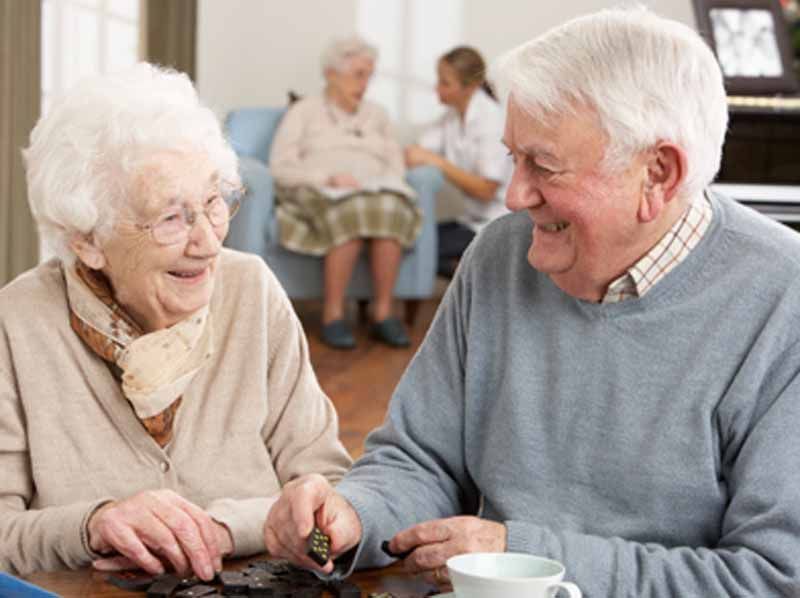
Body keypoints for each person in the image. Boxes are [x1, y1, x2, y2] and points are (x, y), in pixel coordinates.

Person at [262, 8, 800, 596]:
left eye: (543, 166)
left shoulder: (782, 299)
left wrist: (524, 557)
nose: (514, 196)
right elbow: (420, 459)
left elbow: (772, 578)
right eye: (513, 158)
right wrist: (354, 515)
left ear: (658, 173)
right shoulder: (499, 254)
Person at [0, 63, 352, 578]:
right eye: (170, 218)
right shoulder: (19, 321)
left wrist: (225, 529)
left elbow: (331, 493)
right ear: (87, 239)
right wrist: (93, 524)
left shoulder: (251, 291)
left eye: (213, 202)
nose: (209, 242)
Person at [270, 36, 422, 350]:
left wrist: (385, 182)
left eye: (369, 75)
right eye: (358, 74)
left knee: (390, 209)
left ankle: (382, 314)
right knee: (350, 213)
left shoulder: (378, 114)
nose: (365, 83)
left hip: (374, 189)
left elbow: (396, 165)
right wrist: (326, 177)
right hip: (322, 189)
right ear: (331, 74)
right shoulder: (304, 111)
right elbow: (281, 167)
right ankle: (333, 315)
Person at [405, 46, 511, 278]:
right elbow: (417, 151)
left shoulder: (491, 120)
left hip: (499, 223)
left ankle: (475, 276)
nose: (437, 88)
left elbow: (486, 189)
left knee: (420, 251)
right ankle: (471, 274)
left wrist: (437, 162)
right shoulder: (452, 117)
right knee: (409, 239)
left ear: (469, 87)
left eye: (445, 82)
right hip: (471, 221)